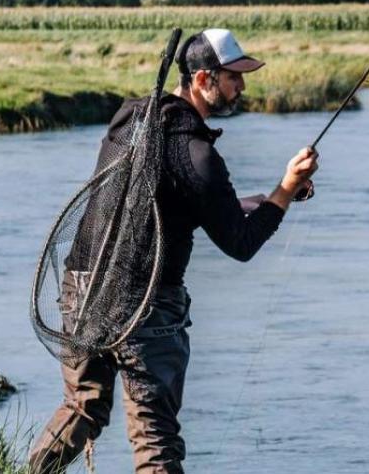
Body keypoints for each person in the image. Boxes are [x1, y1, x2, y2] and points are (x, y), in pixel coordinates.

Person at [29, 28, 318, 474]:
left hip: (82, 287)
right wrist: (285, 191)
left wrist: (268, 197)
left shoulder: (131, 118)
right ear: (203, 79)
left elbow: (172, 200)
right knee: (154, 436)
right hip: (147, 304)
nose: (242, 86)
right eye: (233, 77)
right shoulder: (199, 155)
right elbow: (239, 244)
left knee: (82, 407)